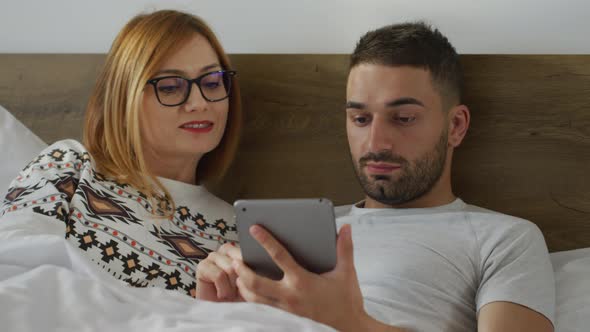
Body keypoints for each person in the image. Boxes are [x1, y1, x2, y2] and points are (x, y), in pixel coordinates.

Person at [195, 22, 555, 332]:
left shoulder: (504, 239)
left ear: (456, 125)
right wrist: (215, 310)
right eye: (361, 119)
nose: (376, 143)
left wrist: (353, 323)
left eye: (403, 118)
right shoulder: (295, 231)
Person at [0, 9, 242, 298]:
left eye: (212, 82)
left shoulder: (238, 232)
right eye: (169, 87)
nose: (198, 102)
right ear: (124, 97)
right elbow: (12, 264)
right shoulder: (70, 165)